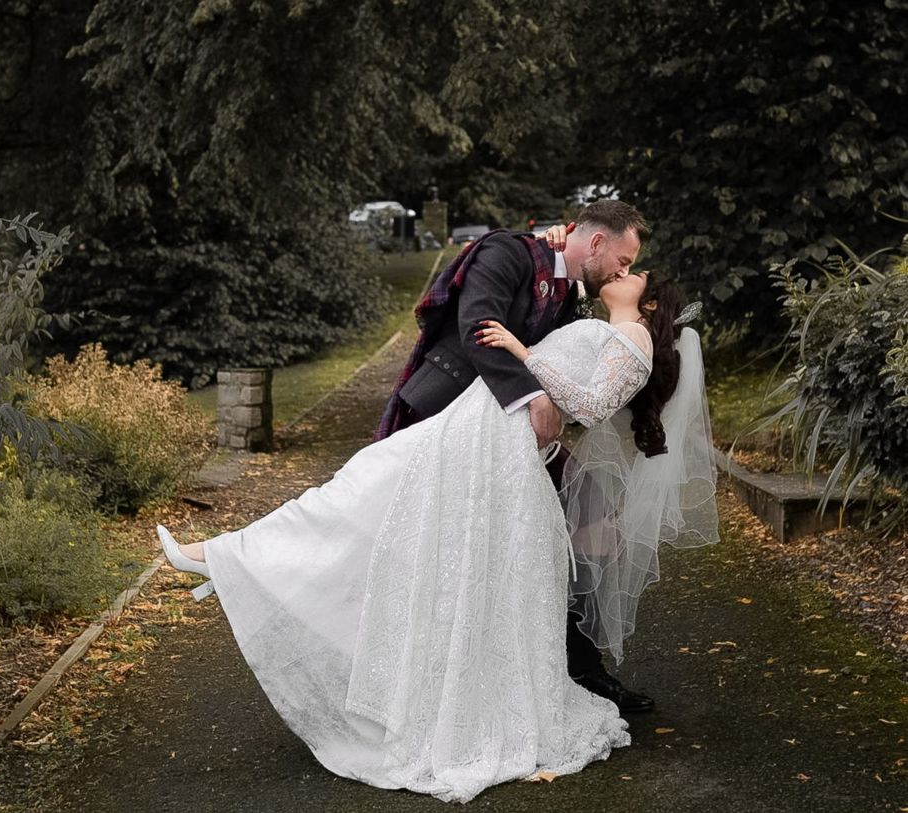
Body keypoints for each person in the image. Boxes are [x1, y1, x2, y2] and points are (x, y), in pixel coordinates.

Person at [157, 271, 717, 802]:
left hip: (492, 443)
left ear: (647, 304)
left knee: (367, 499)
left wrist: (521, 354)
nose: (626, 269)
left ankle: (232, 558)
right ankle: (235, 557)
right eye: (624, 260)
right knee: (371, 502)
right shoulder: (608, 327)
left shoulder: (635, 339)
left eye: (637, 271)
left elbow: (589, 404)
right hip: (478, 431)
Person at [377, 201, 656, 712]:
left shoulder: (570, 287)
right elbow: (478, 327)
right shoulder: (508, 252)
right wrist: (532, 396)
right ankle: (423, 674)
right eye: (623, 258)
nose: (626, 271)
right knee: (421, 544)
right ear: (595, 242)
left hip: (512, 433)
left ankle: (578, 669)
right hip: (446, 414)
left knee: (586, 507)